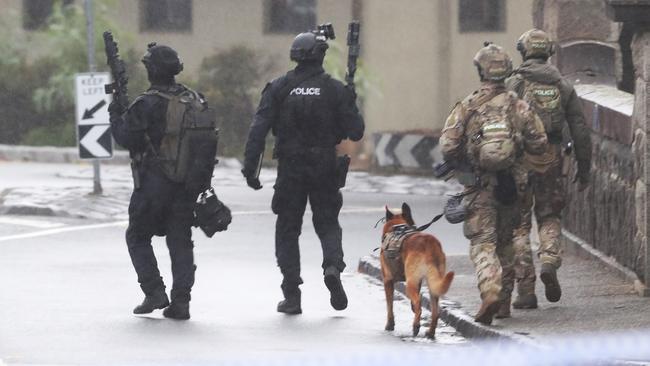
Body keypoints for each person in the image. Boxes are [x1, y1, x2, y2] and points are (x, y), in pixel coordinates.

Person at [241, 28, 364, 315]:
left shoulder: (278, 88)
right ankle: (332, 266)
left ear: (294, 56)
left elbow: (258, 129)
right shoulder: (335, 90)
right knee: (327, 223)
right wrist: (350, 101)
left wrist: (251, 168)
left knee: (287, 229)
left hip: (290, 168)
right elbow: (355, 132)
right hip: (324, 165)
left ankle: (292, 294)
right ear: (322, 55)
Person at [440, 42, 548, 325]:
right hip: (515, 186)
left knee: (483, 243)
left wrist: (468, 156)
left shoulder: (468, 106)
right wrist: (518, 146)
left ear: (480, 71)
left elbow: (448, 146)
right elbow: (540, 143)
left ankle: (490, 291)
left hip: (480, 187)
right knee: (507, 243)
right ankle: (503, 305)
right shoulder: (519, 105)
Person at [109, 43, 217, 320]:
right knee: (180, 242)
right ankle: (181, 302)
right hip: (186, 186)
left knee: (137, 235)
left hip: (154, 185)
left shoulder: (146, 103)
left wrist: (115, 112)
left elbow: (125, 138)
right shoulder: (193, 99)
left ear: (151, 71)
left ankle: (154, 291)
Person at [506, 29, 592, 309]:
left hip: (519, 161)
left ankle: (526, 292)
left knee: (518, 224)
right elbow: (579, 128)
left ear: (524, 51)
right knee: (549, 215)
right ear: (549, 51)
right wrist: (585, 166)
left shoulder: (514, 84)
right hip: (551, 158)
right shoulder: (563, 85)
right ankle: (549, 260)